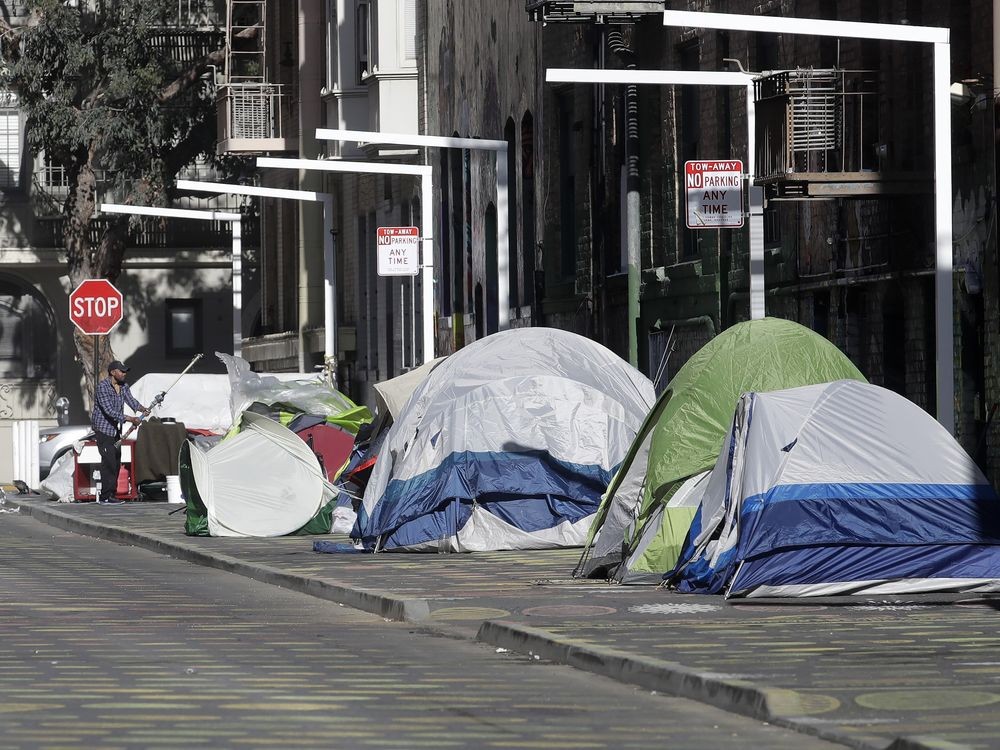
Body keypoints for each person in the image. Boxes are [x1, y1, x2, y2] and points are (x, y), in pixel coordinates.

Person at [91, 360, 149, 504]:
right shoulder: (103, 387)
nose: (124, 374)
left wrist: (143, 409)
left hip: (115, 429)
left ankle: (112, 494)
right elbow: (109, 411)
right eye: (121, 371)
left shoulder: (123, 386)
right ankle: (105, 496)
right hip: (103, 429)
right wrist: (131, 419)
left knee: (116, 461)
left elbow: (131, 401)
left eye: (124, 371)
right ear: (112, 372)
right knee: (108, 462)